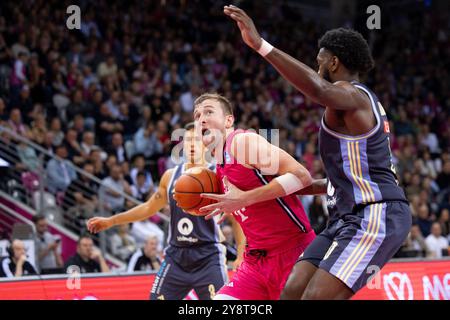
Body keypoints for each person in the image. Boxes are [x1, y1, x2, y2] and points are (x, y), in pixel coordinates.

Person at [222, 5, 412, 299]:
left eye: (319, 62)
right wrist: (291, 187)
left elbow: (319, 89)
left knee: (315, 298)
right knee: (292, 293)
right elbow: (353, 175)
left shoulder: (352, 96)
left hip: (374, 212)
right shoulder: (352, 106)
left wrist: (260, 45)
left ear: (333, 62)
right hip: (343, 218)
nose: (317, 68)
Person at [87, 123, 245, 300]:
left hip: (207, 257)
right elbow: (148, 207)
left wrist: (241, 253)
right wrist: (111, 221)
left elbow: (235, 216)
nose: (192, 144)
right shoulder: (171, 176)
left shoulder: (217, 176)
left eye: (197, 140)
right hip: (176, 257)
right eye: (188, 140)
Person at [195, 93, 315, 300]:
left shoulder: (241, 143)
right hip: (256, 262)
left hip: (295, 253)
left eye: (208, 112)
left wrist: (245, 198)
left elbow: (302, 176)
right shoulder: (218, 167)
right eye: (196, 116)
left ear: (228, 120)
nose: (201, 119)